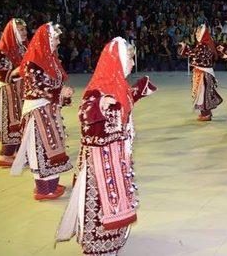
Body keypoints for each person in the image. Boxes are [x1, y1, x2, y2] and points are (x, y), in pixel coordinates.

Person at [56, 37, 156, 255]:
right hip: (100, 164)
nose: (132, 63)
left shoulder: (118, 84)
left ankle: (114, 238)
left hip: (117, 157)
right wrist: (98, 108)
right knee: (101, 201)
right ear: (117, 60)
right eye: (129, 58)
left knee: (117, 197)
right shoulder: (99, 89)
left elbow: (123, 103)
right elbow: (85, 112)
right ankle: (98, 245)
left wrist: (139, 90)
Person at [11, 23, 74, 200]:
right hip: (37, 112)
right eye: (55, 38)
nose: (58, 41)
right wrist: (59, 93)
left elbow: (54, 84)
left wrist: (64, 94)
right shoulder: (33, 61)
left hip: (49, 110)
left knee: (52, 147)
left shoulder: (50, 58)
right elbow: (36, 88)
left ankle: (51, 184)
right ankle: (43, 189)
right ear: (45, 39)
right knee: (41, 149)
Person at [0, 18, 28, 168]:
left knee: (20, 120)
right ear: (12, 32)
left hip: (19, 89)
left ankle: (17, 152)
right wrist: (15, 72)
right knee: (10, 121)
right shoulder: (2, 50)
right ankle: (5, 156)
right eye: (21, 30)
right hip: (7, 90)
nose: (25, 32)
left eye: (25, 29)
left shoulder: (23, 48)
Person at [178, 24, 223, 121]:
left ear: (203, 33)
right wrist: (186, 48)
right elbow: (195, 53)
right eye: (196, 32)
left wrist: (185, 48)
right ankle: (206, 113)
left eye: (198, 32)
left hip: (204, 73)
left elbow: (195, 54)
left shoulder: (204, 44)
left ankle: (206, 114)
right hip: (202, 72)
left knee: (203, 93)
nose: (196, 34)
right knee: (203, 93)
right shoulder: (204, 43)